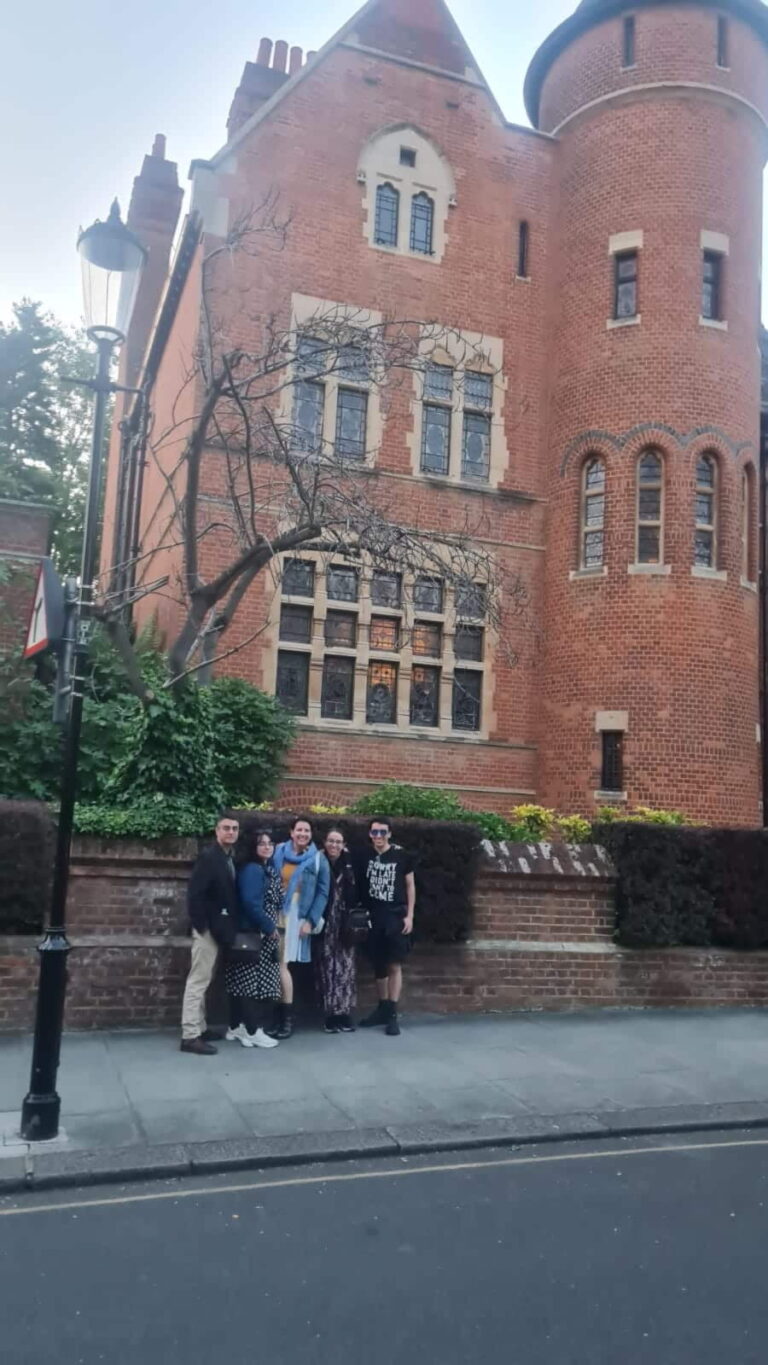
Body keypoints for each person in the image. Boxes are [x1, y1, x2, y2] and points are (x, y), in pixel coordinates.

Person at [180, 812, 240, 1055]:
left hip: (218, 930)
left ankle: (200, 1027)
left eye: (235, 828)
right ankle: (190, 1035)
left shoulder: (228, 857)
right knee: (198, 981)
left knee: (204, 980)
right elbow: (195, 895)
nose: (231, 832)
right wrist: (202, 927)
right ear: (217, 831)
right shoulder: (209, 857)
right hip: (207, 930)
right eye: (226, 828)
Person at [270, 816, 330, 1039]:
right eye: (299, 830)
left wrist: (311, 920)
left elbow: (323, 893)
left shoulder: (317, 859)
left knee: (282, 963)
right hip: (276, 913)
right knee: (275, 963)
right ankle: (278, 1017)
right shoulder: (277, 852)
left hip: (298, 915)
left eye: (307, 830)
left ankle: (286, 1019)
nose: (303, 834)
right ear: (291, 832)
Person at [225, 830, 282, 1049]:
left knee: (242, 982)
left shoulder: (264, 868)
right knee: (251, 983)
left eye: (270, 843)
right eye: (261, 844)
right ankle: (252, 1030)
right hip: (254, 933)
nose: (267, 847)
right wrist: (269, 926)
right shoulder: (253, 870)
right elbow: (250, 902)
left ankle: (236, 1026)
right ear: (253, 847)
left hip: (254, 933)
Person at [358, 817, 415, 1037]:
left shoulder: (402, 856)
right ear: (370, 834)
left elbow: (410, 886)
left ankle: (392, 1013)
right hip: (373, 917)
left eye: (383, 832)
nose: (378, 837)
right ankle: (382, 1008)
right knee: (378, 965)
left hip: (395, 917)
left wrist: (409, 916)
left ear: (389, 834)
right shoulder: (364, 855)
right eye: (374, 833)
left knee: (394, 965)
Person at [315, 827, 359, 1034]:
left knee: (346, 969)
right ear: (325, 843)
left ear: (344, 845)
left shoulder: (349, 864)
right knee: (327, 968)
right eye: (331, 841)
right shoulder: (317, 861)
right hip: (325, 922)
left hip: (344, 923)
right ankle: (330, 1014)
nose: (334, 845)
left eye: (338, 842)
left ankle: (344, 1013)